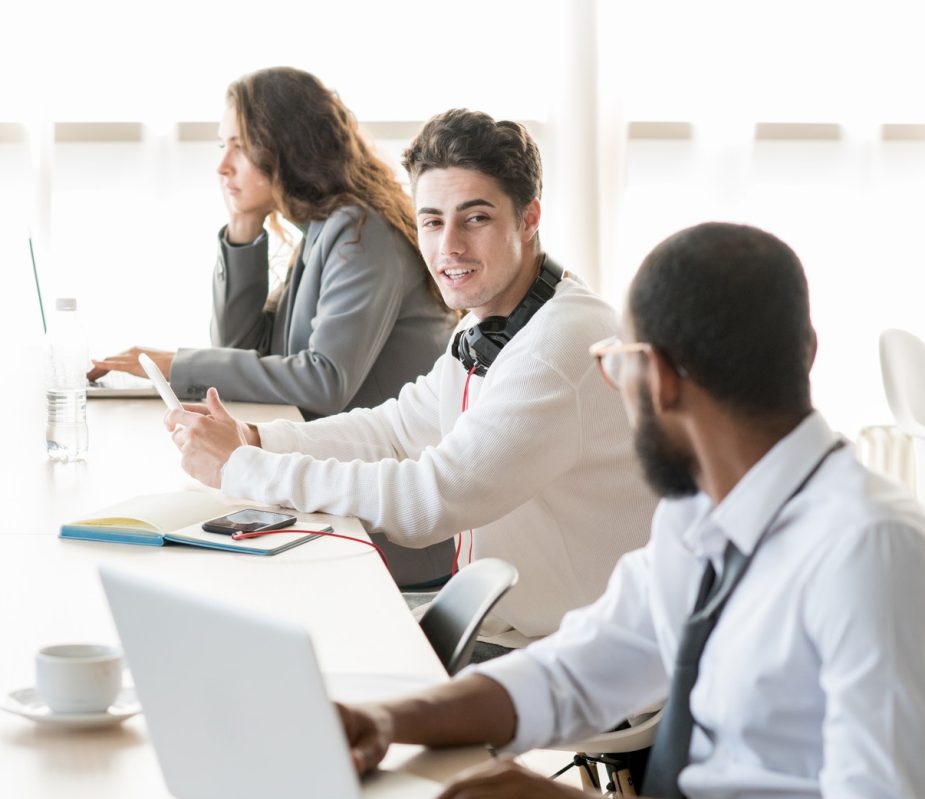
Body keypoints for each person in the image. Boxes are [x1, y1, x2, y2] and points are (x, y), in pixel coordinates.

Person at [331, 223, 925, 799]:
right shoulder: (702, 516)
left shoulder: (874, 555)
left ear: (661, 380)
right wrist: (388, 718)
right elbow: (576, 672)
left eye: (616, 366)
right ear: (807, 352)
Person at [166, 109, 658, 648]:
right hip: (501, 624)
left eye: (475, 219)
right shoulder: (496, 319)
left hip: (577, 661)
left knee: (286, 652)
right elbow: (395, 432)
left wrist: (243, 467)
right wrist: (257, 438)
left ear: (528, 218)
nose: (448, 246)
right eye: (431, 220)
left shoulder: (556, 347)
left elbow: (428, 500)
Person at [90, 67, 451, 421]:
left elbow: (325, 381)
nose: (222, 166)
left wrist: (175, 365)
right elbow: (241, 348)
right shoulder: (320, 229)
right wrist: (243, 226)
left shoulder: (360, 232)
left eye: (240, 147)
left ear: (287, 148)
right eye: (222, 145)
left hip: (380, 464)